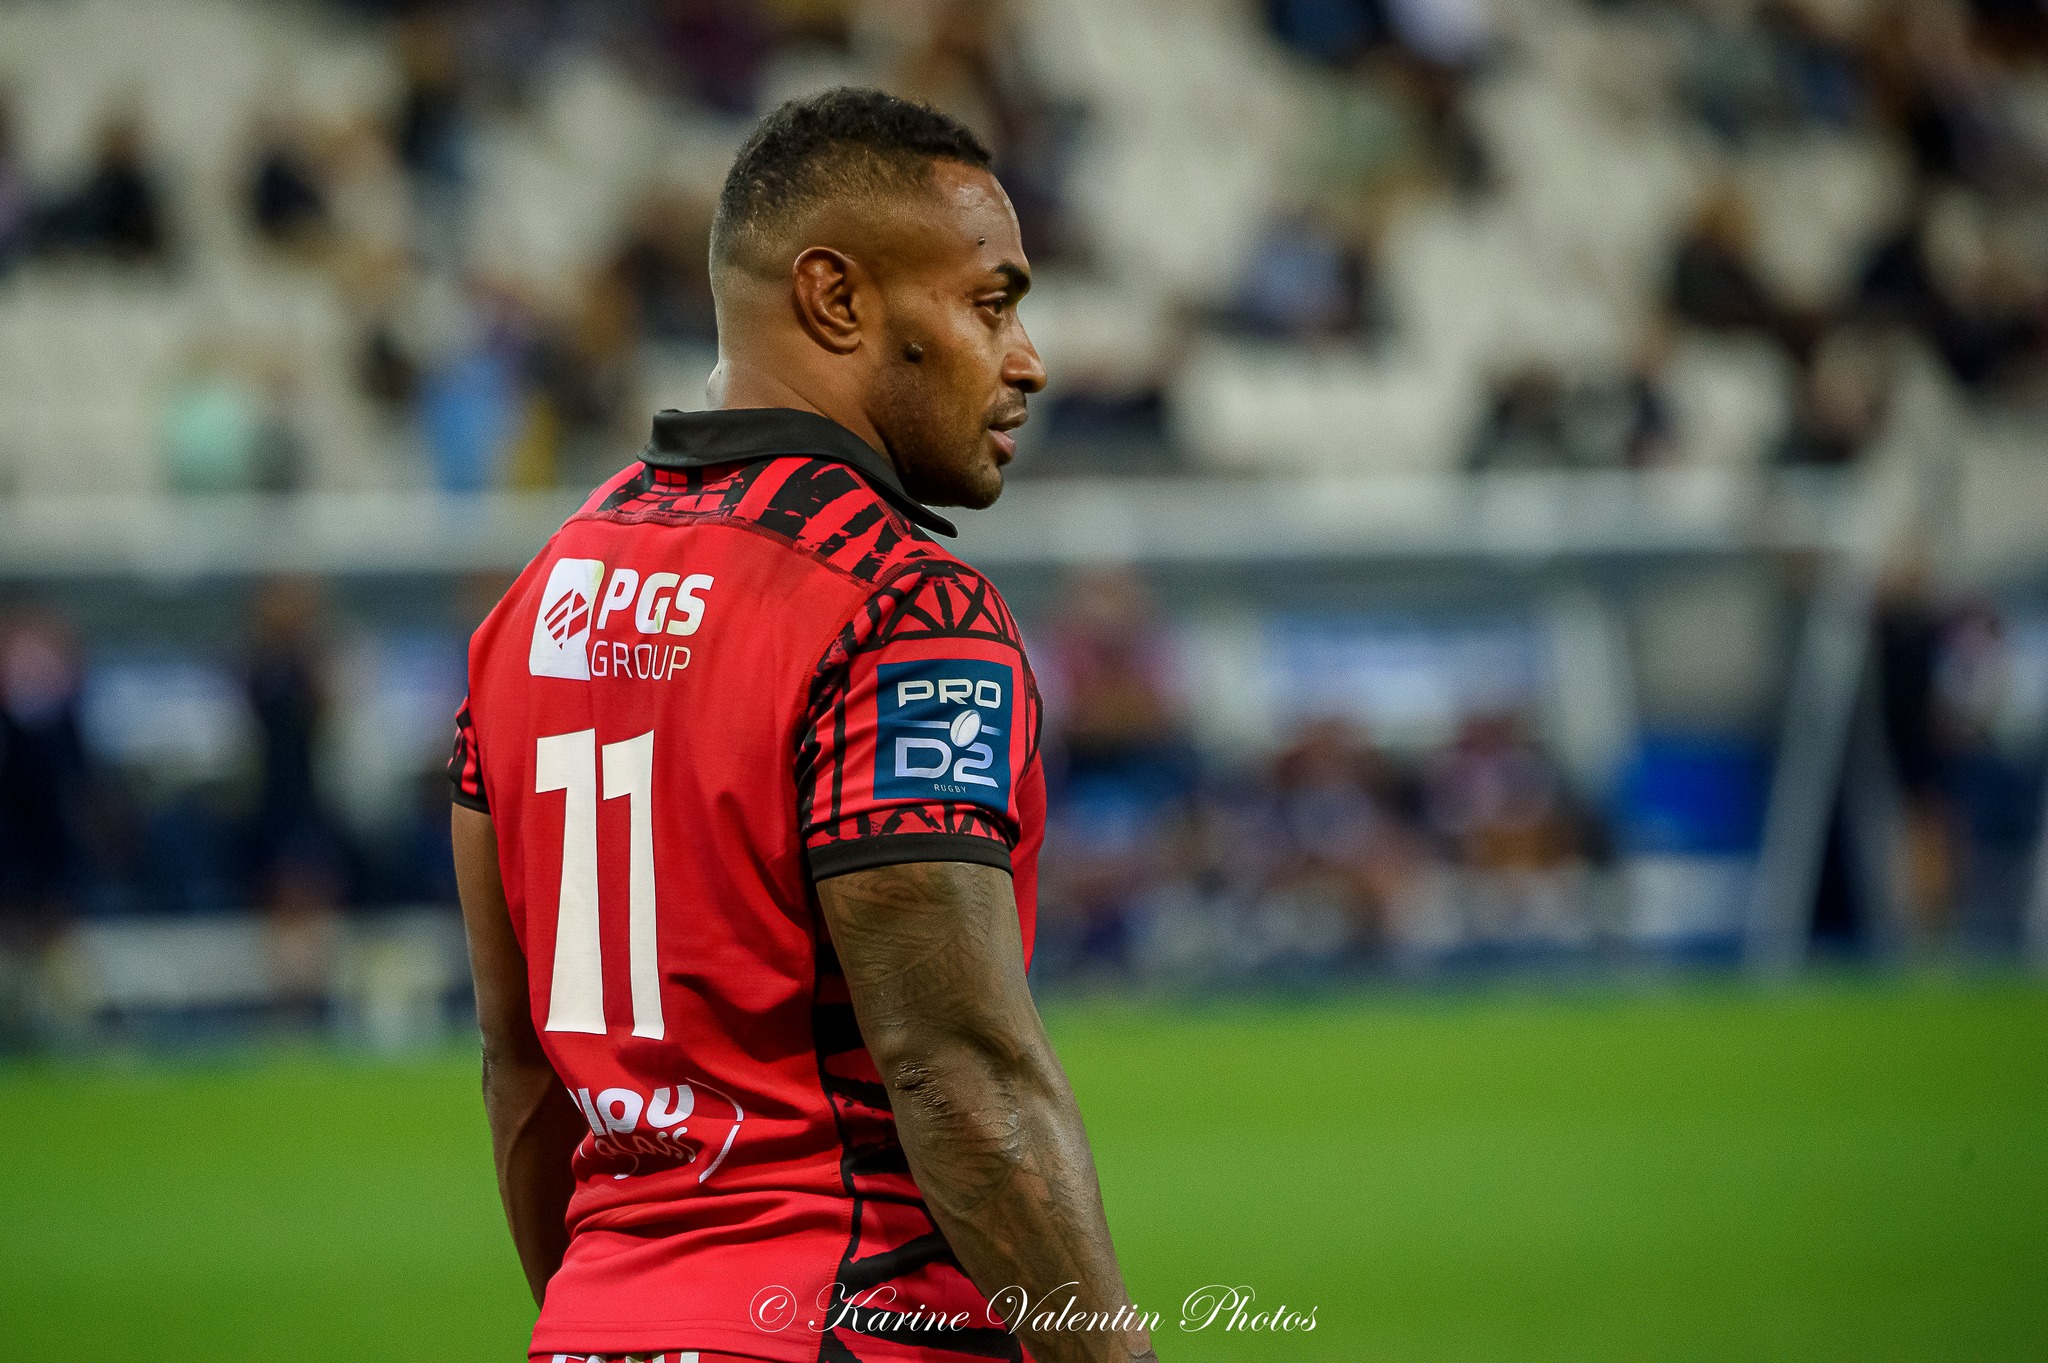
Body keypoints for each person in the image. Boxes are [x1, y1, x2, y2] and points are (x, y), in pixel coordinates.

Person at [447, 88, 1157, 1363]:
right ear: (835, 300)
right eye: (991, 303)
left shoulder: (535, 598)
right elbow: (958, 1071)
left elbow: (519, 1064)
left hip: (594, 1327)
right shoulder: (902, 604)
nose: (1028, 357)